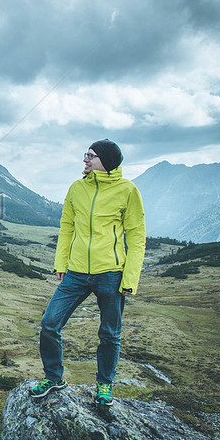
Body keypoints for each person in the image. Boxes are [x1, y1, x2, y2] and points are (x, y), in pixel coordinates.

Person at [29, 139, 145, 406]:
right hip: (77, 272)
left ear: (105, 161)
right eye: (86, 154)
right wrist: (61, 263)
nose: (85, 159)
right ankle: (54, 377)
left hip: (111, 273)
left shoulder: (128, 190)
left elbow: (137, 235)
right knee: (49, 323)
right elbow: (67, 226)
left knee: (110, 334)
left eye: (91, 156)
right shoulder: (76, 188)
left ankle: (104, 386)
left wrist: (130, 277)